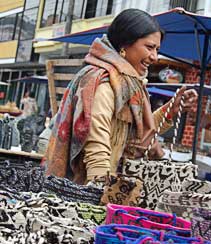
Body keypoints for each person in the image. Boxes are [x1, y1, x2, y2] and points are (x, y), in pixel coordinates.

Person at [44, 8, 198, 185]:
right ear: (125, 45)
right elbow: (97, 148)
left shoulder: (128, 84)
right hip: (81, 189)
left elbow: (137, 131)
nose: (154, 57)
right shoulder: (103, 83)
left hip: (105, 186)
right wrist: (102, 195)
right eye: (149, 47)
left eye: (157, 49)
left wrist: (172, 109)